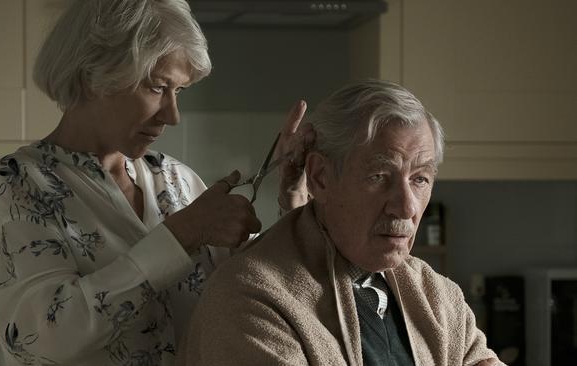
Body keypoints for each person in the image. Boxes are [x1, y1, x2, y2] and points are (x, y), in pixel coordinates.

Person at [0, 0, 311, 365]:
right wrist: (181, 235)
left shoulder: (177, 178)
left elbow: (262, 289)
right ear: (93, 77)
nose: (173, 116)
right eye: (157, 88)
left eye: (180, 92)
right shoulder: (21, 179)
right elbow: (45, 338)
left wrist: (293, 200)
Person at [178, 80, 503, 366]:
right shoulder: (250, 297)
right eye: (379, 176)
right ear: (320, 177)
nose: (406, 207)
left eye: (420, 179)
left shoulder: (437, 295)